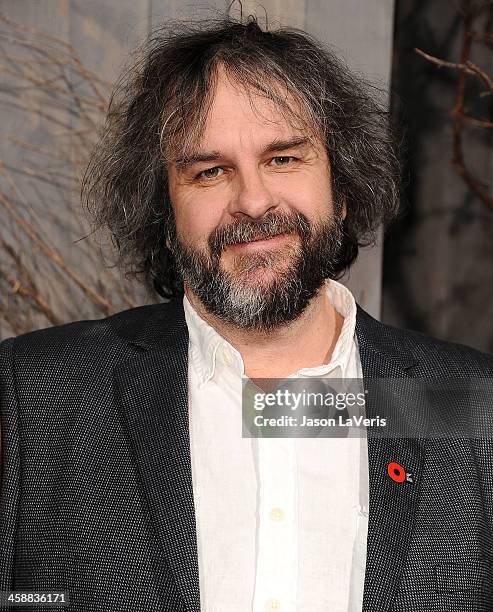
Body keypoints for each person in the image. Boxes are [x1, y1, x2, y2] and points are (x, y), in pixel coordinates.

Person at [1, 15, 493, 612]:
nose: (253, 200)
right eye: (209, 171)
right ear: (164, 212)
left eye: (284, 159)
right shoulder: (36, 395)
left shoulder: (467, 405)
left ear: (341, 190)